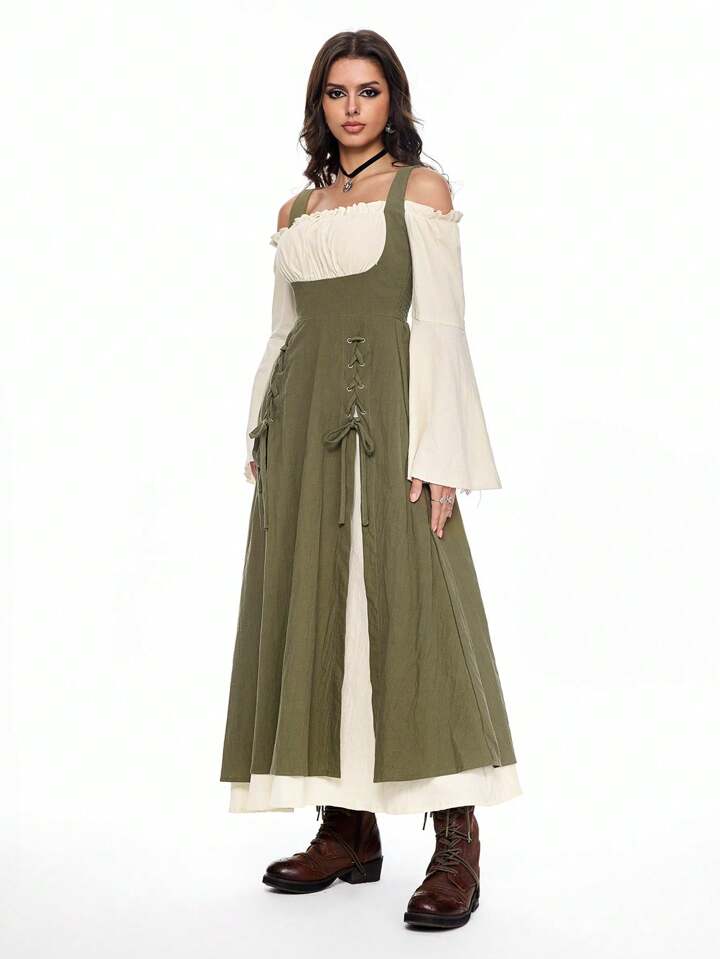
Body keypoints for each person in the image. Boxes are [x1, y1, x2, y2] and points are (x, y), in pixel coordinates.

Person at [220, 29, 521, 930]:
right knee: (317, 606)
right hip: (301, 432)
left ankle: (457, 841)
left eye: (369, 91)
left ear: (394, 101)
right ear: (319, 104)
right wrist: (259, 429)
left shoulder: (420, 193)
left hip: (394, 423)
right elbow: (283, 331)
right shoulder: (296, 211)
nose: (352, 108)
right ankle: (347, 827)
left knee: (416, 608)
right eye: (337, 93)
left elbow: (443, 329)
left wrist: (444, 455)